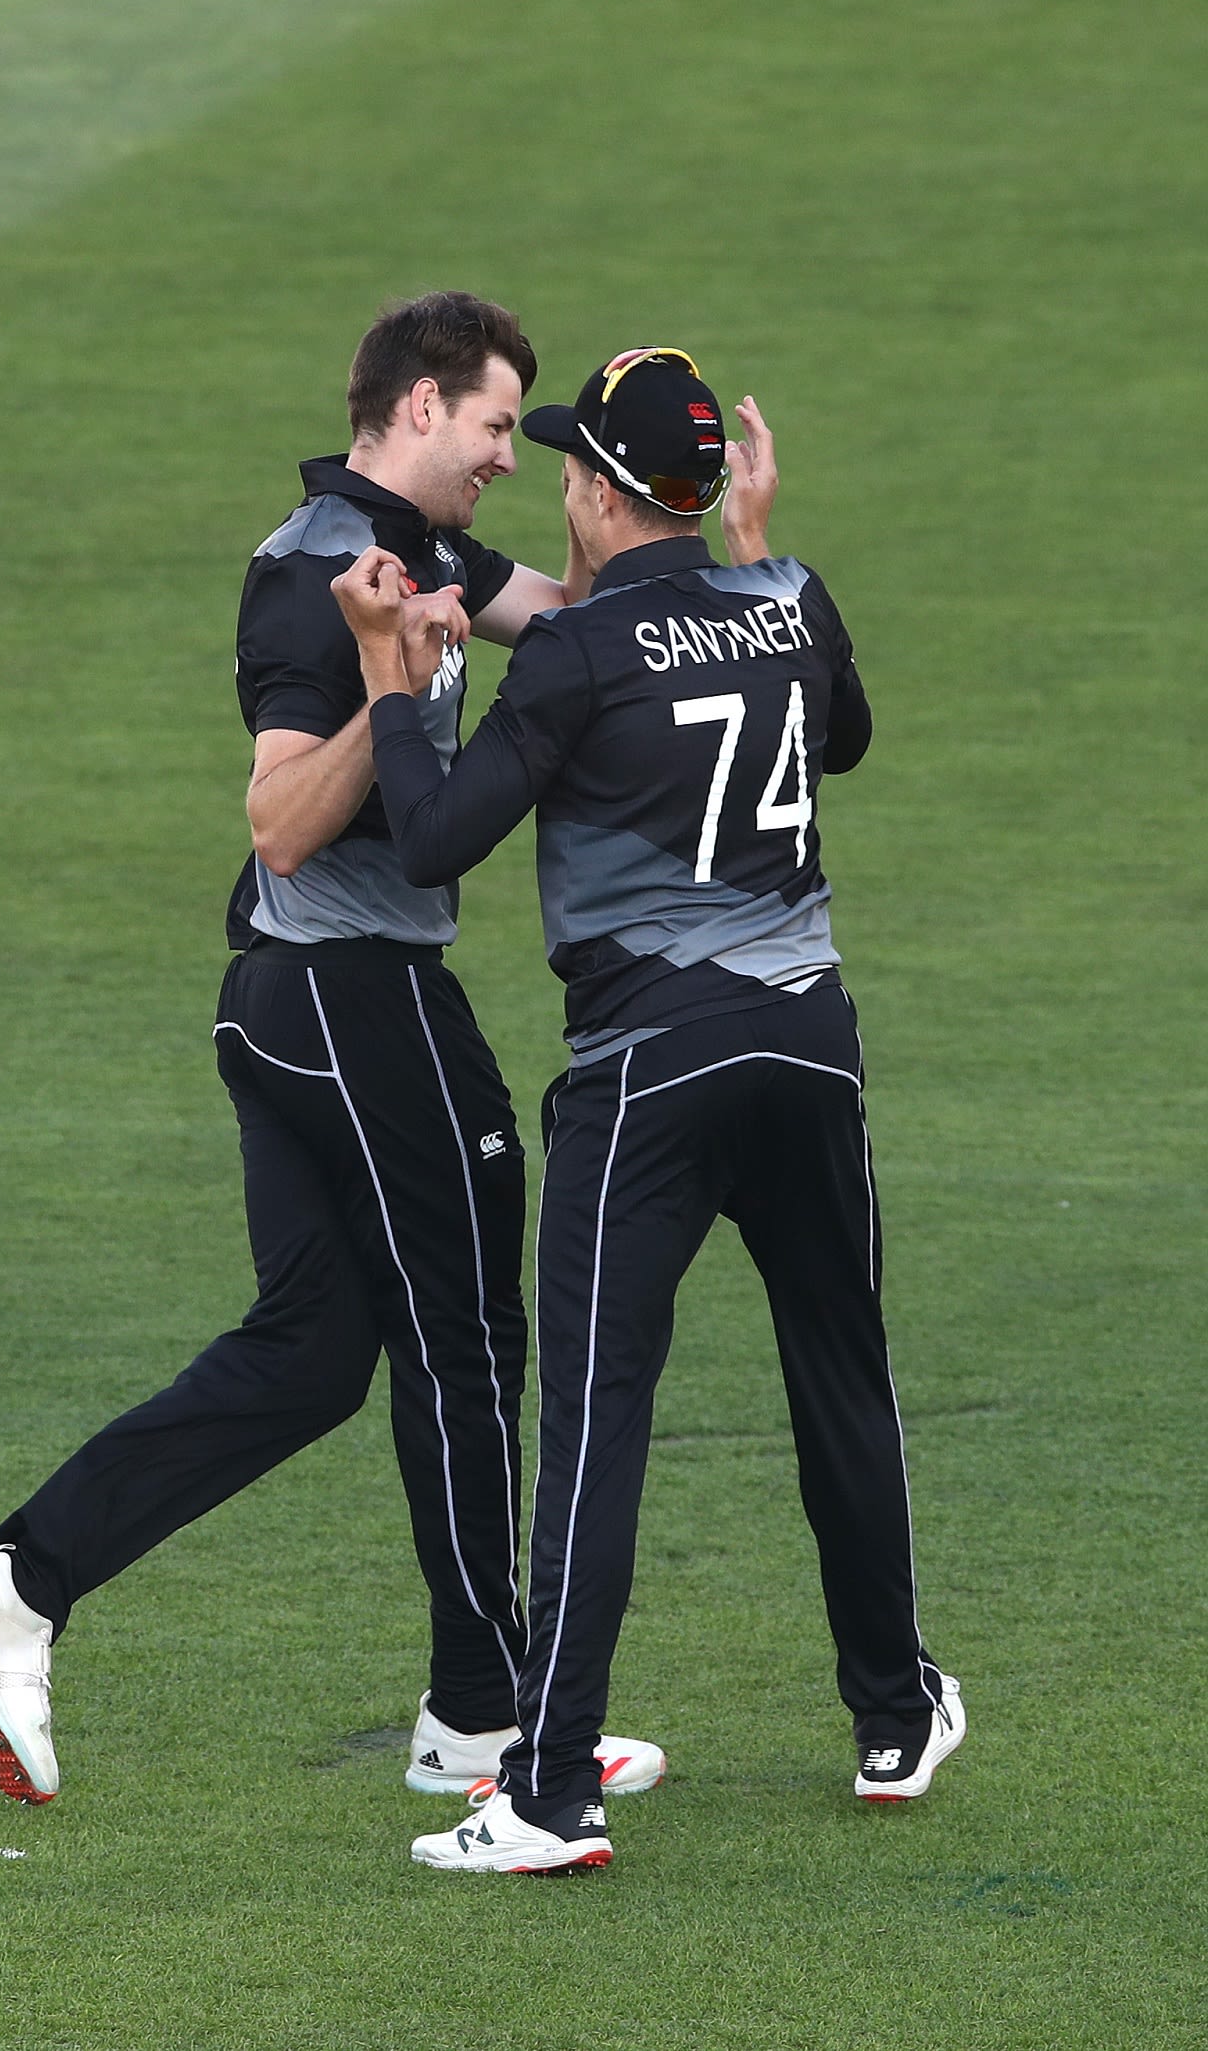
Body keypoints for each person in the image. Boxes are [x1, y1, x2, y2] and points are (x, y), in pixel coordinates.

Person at [0, 298, 774, 1809]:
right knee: (469, 1345)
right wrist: (394, 684)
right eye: (501, 424)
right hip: (348, 996)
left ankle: (16, 1584)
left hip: (301, 1004)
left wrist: (681, 541)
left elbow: (580, 626)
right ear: (424, 407)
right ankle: (492, 1716)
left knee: (315, 1356)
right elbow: (279, 822)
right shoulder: (330, 568)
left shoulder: (424, 554)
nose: (513, 455)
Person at [331, 346, 965, 1875]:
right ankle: (894, 1714)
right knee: (842, 1380)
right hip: (810, 1052)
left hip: (649, 1076)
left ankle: (551, 1791)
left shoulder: (580, 653)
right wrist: (759, 549)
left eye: (571, 466)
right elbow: (848, 730)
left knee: (598, 1421)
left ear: (608, 494)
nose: (555, 483)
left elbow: (429, 845)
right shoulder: (787, 602)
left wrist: (389, 680)